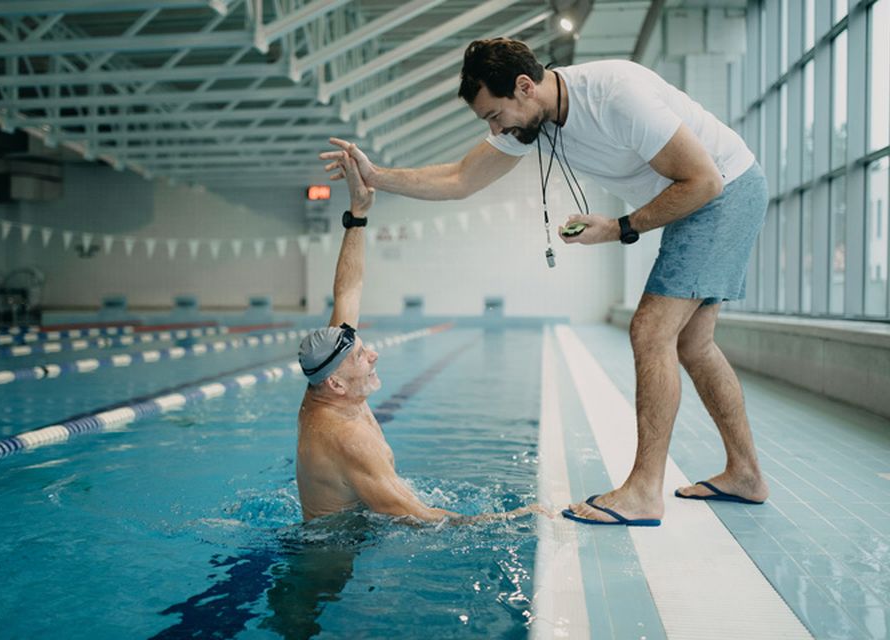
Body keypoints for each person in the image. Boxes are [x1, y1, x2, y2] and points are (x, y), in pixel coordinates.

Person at [320, 38, 770, 527]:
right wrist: (376, 177)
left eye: (495, 116)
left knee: (650, 330)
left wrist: (620, 227)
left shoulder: (616, 94)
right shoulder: (534, 119)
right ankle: (745, 473)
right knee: (694, 344)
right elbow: (459, 179)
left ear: (524, 86)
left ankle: (643, 491)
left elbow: (704, 182)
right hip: (706, 195)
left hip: (723, 190)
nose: (496, 129)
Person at [296, 148, 545, 524]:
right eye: (362, 356)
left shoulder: (327, 385)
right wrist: (515, 519)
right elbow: (425, 520)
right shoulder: (348, 438)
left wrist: (359, 214)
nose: (373, 355)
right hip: (335, 555)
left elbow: (349, 288)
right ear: (336, 384)